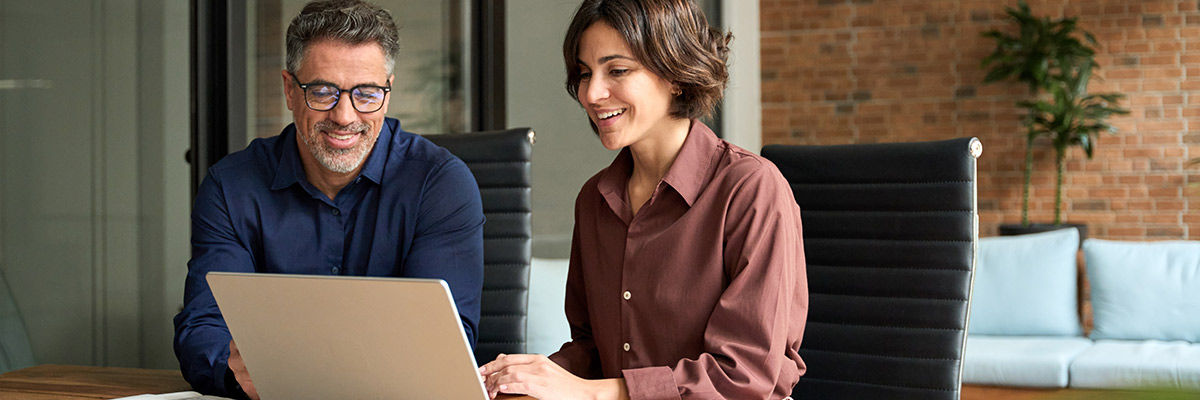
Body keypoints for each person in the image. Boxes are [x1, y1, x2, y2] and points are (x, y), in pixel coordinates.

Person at [479, 0, 807, 399]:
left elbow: (741, 376)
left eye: (617, 70)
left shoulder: (750, 189)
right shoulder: (594, 200)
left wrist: (592, 393)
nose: (592, 93)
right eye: (585, 73)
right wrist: (524, 380)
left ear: (676, 74)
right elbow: (591, 350)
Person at [172, 1, 485, 398]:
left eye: (366, 93)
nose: (344, 115)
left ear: (388, 92)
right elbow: (203, 328)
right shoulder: (230, 186)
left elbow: (446, 342)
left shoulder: (440, 184)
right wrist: (236, 374)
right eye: (322, 92)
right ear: (289, 89)